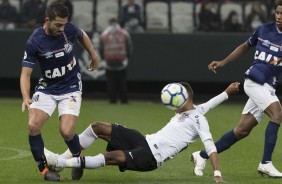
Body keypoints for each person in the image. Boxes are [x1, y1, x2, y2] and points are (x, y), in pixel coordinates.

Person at [45, 82, 241, 183]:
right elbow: (211, 103)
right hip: (144, 140)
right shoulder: (195, 109)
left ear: (184, 98)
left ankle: (58, 162)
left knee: (109, 157)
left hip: (151, 157)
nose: (172, 107)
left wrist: (217, 173)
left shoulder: (199, 119)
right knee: (99, 127)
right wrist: (228, 92)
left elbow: (210, 146)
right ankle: (71, 158)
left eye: (173, 103)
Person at [191, 1, 282, 178]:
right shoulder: (263, 29)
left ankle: (201, 155)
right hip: (255, 81)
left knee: (241, 130)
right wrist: (223, 62)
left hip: (268, 86)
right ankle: (266, 163)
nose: (279, 16)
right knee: (277, 114)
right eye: (278, 12)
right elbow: (245, 46)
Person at [20, 1, 99, 182]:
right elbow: (25, 75)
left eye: (65, 24)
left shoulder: (68, 28)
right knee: (33, 126)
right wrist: (26, 97)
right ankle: (44, 171)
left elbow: (82, 35)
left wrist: (93, 55)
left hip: (70, 86)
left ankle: (78, 159)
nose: (63, 29)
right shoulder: (35, 41)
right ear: (47, 20)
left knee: (66, 132)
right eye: (58, 25)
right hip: (47, 88)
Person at [100, 17, 133, 104]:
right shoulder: (124, 33)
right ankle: (124, 99)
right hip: (122, 61)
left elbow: (101, 48)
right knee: (122, 82)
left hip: (109, 62)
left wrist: (103, 59)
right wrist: (127, 57)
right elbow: (129, 46)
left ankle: (112, 99)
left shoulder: (104, 34)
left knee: (111, 82)